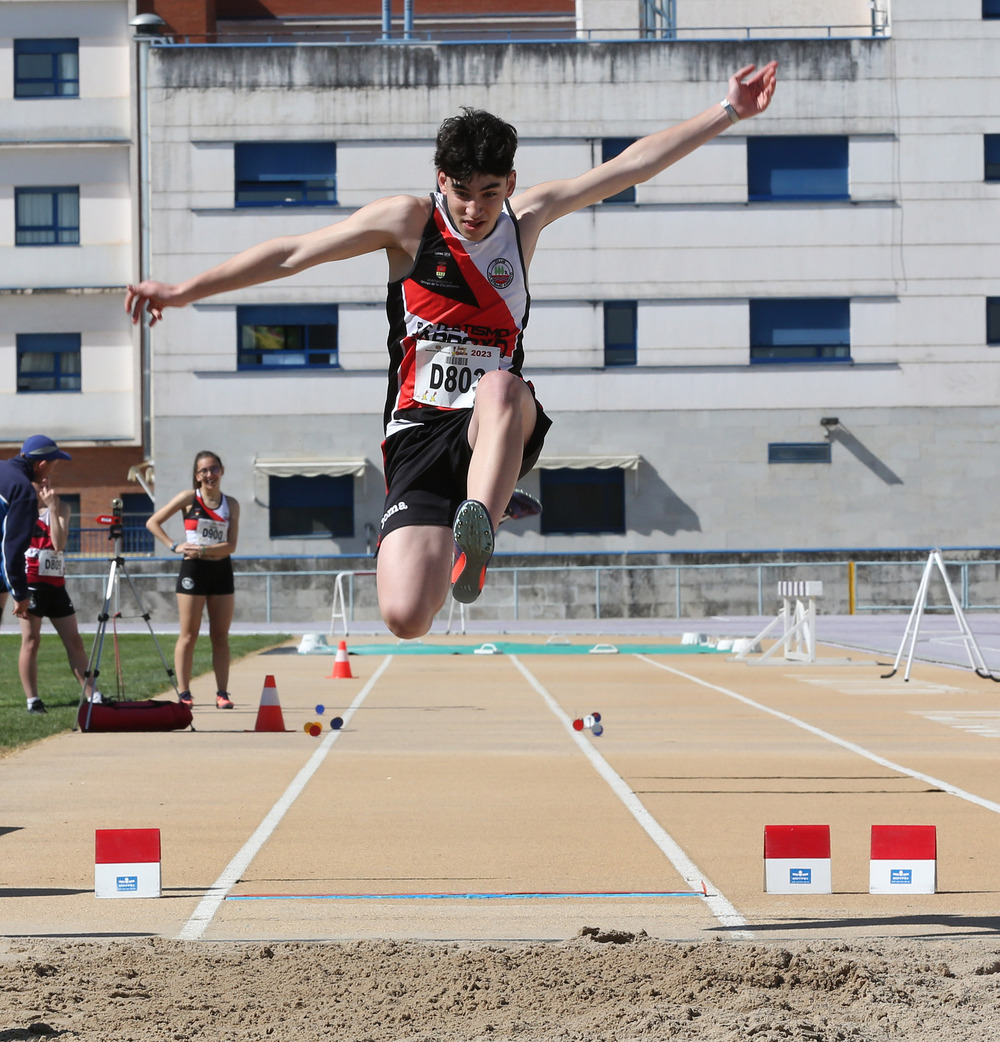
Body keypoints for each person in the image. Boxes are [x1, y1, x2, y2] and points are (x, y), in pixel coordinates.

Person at [125, 62, 778, 640]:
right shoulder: (410, 223)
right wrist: (183, 291)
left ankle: (482, 526)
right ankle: (462, 535)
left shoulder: (526, 222)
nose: (475, 210)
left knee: (499, 386)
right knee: (406, 617)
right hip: (416, 433)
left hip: (495, 424)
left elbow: (629, 166)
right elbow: (292, 253)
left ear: (510, 182)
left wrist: (727, 112)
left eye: (490, 193)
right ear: (442, 180)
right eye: (463, 193)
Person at [145, 451, 241, 709]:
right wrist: (174, 545)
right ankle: (185, 694)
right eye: (204, 471)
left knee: (220, 636)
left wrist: (206, 550)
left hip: (221, 571)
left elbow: (231, 545)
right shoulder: (189, 498)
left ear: (222, 471)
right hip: (193, 572)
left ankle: (222, 693)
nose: (210, 475)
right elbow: (153, 522)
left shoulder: (231, 504)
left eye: (214, 469)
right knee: (189, 634)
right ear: (197, 476)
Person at [0, 435, 73, 713]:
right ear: (41, 464)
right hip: (17, 574)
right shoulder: (22, 490)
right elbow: (12, 548)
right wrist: (20, 593)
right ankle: (32, 698)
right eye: (53, 465)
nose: (53, 472)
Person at [19, 482, 100, 711]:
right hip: (30, 582)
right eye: (39, 481)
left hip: (56, 583)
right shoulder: (19, 510)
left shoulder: (61, 507)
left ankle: (92, 694)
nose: (45, 485)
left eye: (48, 480)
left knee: (74, 640)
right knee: (31, 641)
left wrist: (52, 510)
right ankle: (32, 700)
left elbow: (58, 544)